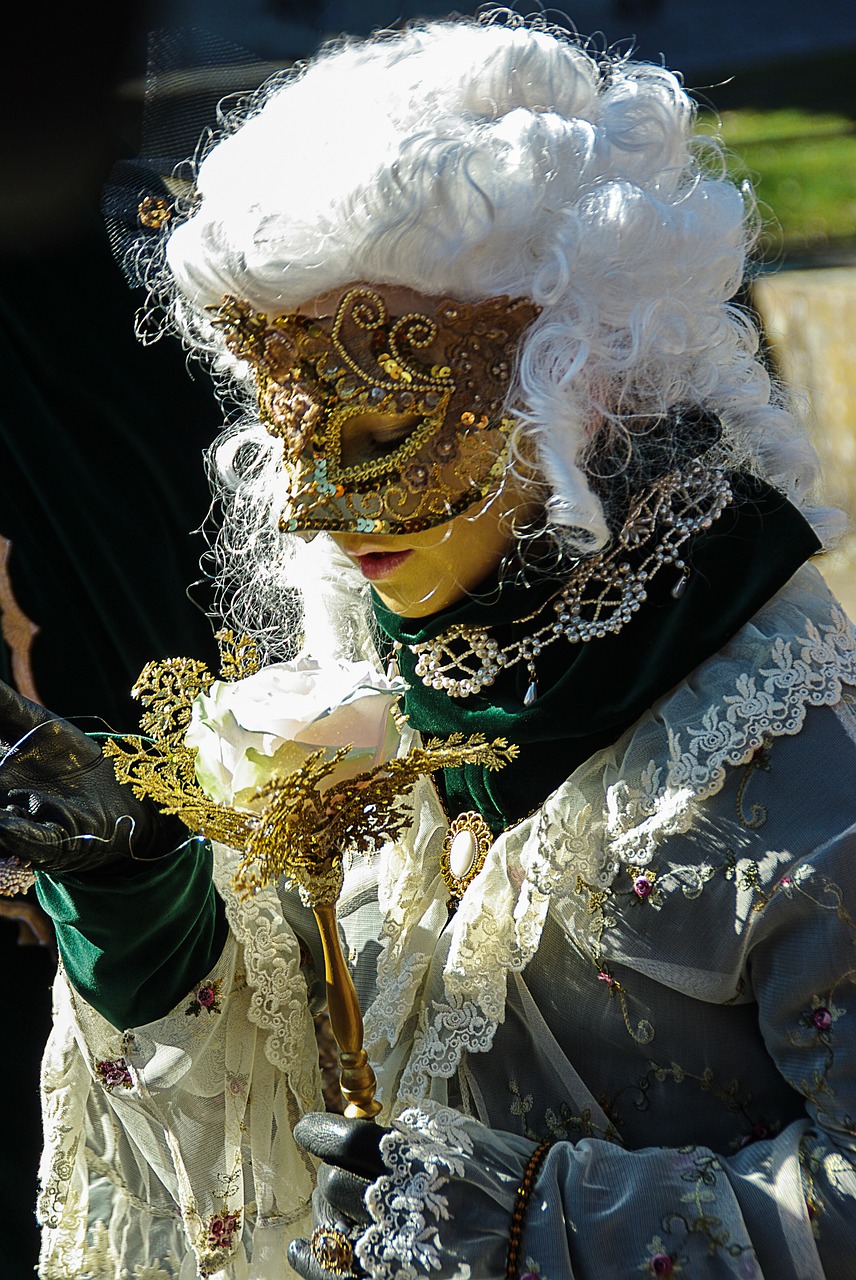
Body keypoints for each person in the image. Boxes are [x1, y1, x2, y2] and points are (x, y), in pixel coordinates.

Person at [2, 11, 855, 1278]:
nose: (308, 506)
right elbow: (284, 1091)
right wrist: (136, 895)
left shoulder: (786, 752)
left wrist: (530, 1224)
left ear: (576, 379)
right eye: (289, 430)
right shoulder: (370, 686)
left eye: (377, 432)